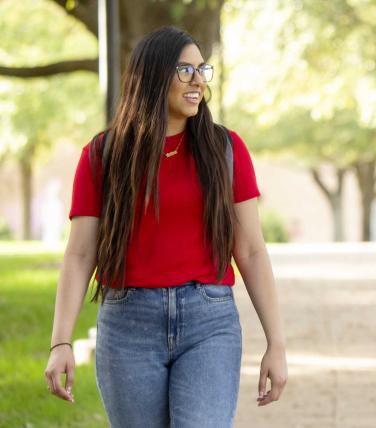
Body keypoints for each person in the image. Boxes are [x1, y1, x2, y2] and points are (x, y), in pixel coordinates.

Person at [44, 26, 287, 427]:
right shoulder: (102, 156)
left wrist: (276, 343)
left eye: (201, 70)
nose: (198, 82)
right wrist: (61, 341)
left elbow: (251, 250)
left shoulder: (225, 150)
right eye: (185, 71)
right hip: (127, 327)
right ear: (154, 75)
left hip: (208, 323)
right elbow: (81, 253)